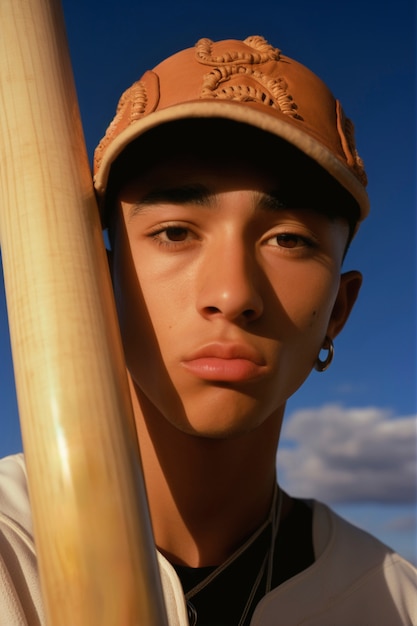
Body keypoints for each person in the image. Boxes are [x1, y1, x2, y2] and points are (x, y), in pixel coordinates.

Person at [0, 35, 416, 625]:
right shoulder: (10, 558)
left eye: (289, 239)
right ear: (96, 281)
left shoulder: (393, 602)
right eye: (175, 232)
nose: (233, 294)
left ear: (339, 310)